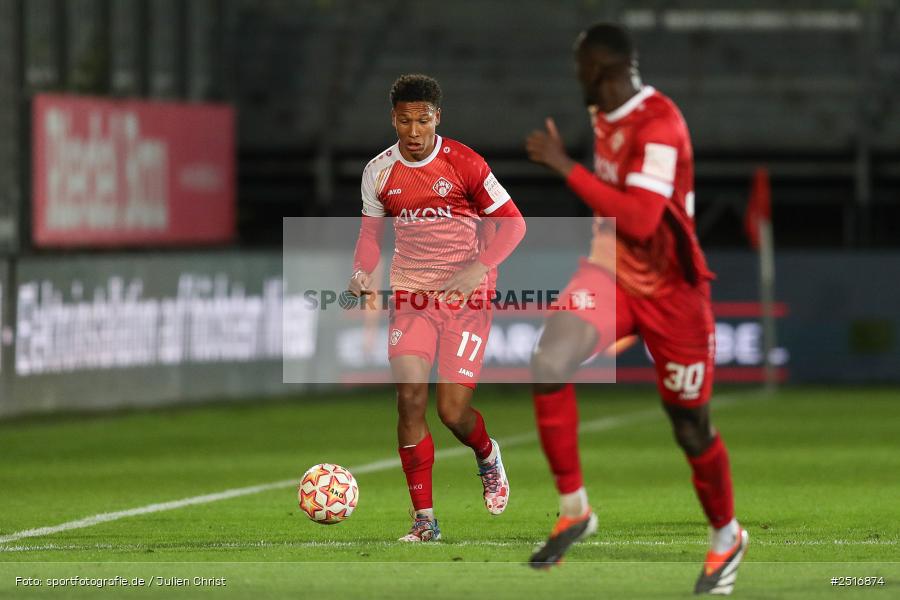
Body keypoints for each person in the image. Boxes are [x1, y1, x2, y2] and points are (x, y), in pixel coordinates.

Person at [524, 23, 747, 594]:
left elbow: (646, 220)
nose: (578, 82)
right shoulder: (605, 114)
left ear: (605, 72)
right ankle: (575, 509)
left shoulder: (660, 125)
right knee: (549, 362)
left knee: (690, 429)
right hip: (612, 271)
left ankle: (727, 537)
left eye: (582, 72)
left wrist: (562, 165)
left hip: (674, 291)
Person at [348, 74, 526, 542]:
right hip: (411, 296)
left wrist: (478, 268)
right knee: (409, 397)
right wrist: (362, 273)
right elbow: (370, 237)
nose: (413, 130)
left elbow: (513, 225)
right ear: (393, 119)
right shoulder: (378, 172)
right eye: (405, 120)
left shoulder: (464, 163)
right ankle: (424, 520)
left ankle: (487, 454)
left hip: (468, 298)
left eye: (422, 120)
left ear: (436, 118)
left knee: (452, 413)